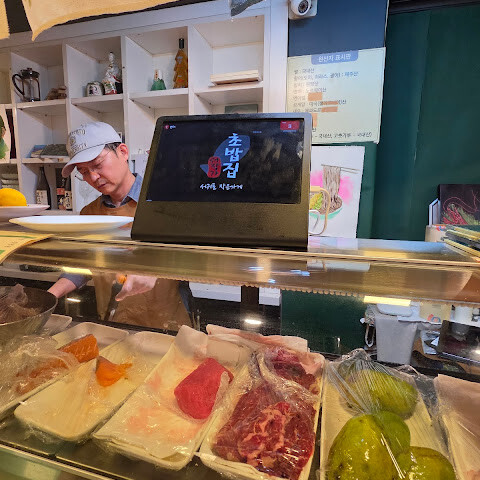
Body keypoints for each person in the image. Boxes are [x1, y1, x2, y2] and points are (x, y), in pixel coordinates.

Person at [48, 122, 192, 329]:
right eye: (84, 171)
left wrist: (154, 268)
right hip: (114, 323)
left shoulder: (165, 202)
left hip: (167, 323)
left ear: (123, 152)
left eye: (97, 164)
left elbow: (194, 256)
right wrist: (48, 297)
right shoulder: (89, 213)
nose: (93, 177)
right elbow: (83, 265)